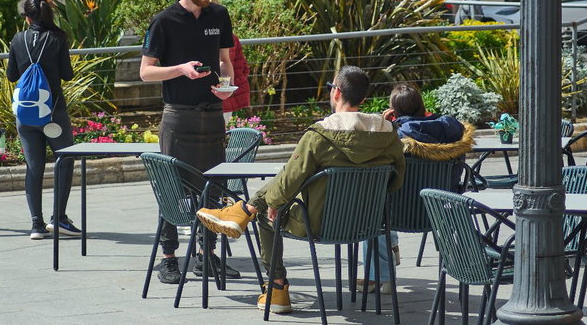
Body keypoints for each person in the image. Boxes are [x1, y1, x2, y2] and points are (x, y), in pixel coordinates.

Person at [196, 66, 406, 314]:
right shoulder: (387, 136)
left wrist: (275, 203)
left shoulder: (319, 136)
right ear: (362, 99)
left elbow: (290, 180)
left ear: (336, 93)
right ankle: (243, 210)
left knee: (266, 214)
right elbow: (396, 180)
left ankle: (276, 289)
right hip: (367, 223)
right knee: (280, 189)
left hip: (315, 222)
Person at [139, 0, 238, 285]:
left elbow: (225, 61)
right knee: (172, 187)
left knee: (213, 187)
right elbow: (145, 72)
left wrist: (226, 86)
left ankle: (206, 255)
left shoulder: (219, 15)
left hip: (212, 115)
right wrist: (180, 69)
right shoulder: (164, 21)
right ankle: (168, 257)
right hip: (178, 117)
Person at [358, 83, 474, 294]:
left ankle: (382, 277)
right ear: (421, 105)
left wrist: (384, 125)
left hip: (399, 213)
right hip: (442, 210)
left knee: (374, 212)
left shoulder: (395, 136)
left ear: (394, 110)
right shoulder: (450, 129)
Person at [7, 0, 78, 240]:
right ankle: (58, 218)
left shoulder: (18, 39)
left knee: (34, 167)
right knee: (65, 160)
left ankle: (36, 224)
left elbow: (11, 75)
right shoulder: (58, 38)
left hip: (26, 115)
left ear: (27, 18)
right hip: (53, 113)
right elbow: (67, 75)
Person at [209, 0, 251, 124]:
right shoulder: (232, 38)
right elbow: (243, 68)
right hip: (226, 97)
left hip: (201, 101)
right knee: (218, 139)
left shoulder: (197, 37)